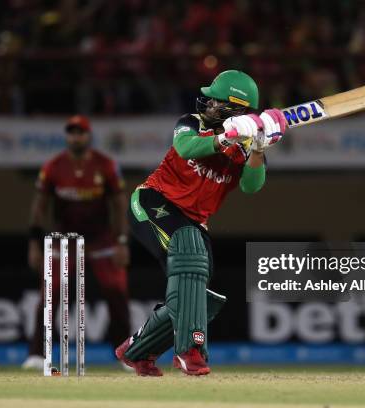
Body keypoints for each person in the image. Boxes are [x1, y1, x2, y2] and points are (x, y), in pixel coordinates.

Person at [115, 70, 285, 376]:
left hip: (195, 221)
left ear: (235, 108)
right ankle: (190, 350)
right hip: (154, 201)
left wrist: (258, 148)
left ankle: (137, 351)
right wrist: (225, 137)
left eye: (216, 101)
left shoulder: (245, 147)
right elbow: (187, 148)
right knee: (189, 253)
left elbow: (251, 186)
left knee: (198, 295)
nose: (207, 104)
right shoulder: (192, 122)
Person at [22, 115, 131, 370]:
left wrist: (122, 241)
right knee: (50, 295)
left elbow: (119, 204)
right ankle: (38, 354)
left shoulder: (106, 165)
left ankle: (127, 354)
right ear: (66, 136)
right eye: (71, 132)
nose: (76, 137)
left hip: (102, 238)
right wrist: (35, 244)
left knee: (117, 294)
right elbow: (39, 207)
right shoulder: (53, 167)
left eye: (80, 132)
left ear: (88, 136)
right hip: (64, 239)